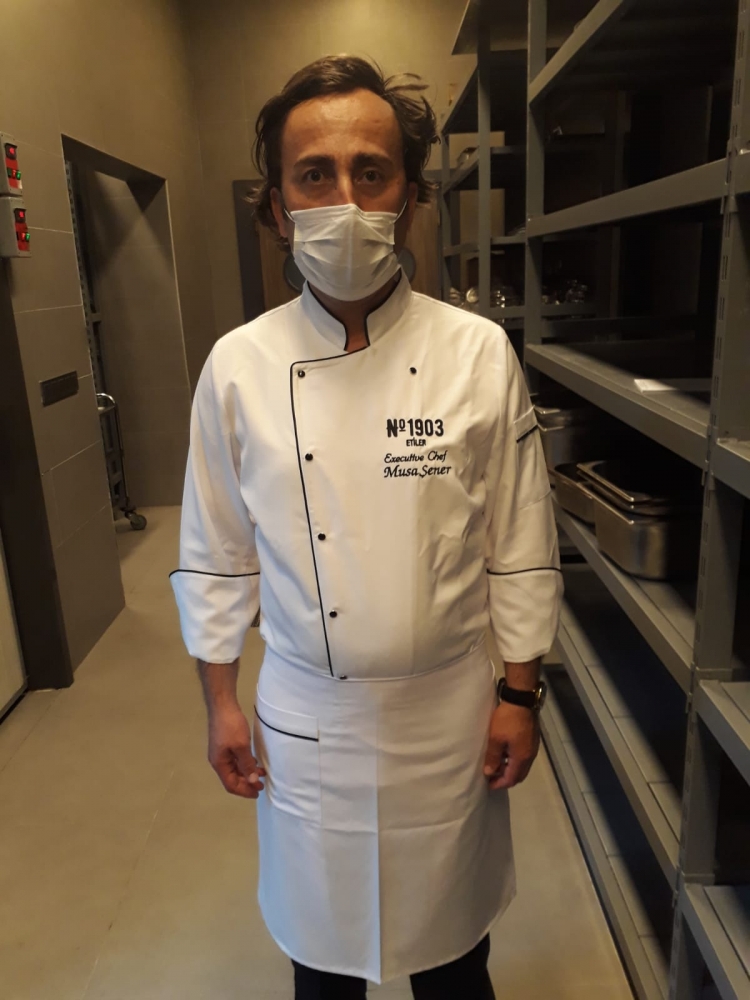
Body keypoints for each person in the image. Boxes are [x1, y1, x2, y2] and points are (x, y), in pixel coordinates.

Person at [171, 54, 562, 1000]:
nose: (344, 199)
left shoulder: (476, 353)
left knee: (454, 959)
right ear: (278, 207)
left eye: (371, 171)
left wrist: (521, 693)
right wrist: (220, 700)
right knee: (323, 958)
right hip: (310, 718)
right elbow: (216, 553)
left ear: (410, 198)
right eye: (315, 174)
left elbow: (519, 541)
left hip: (448, 715)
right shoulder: (238, 366)